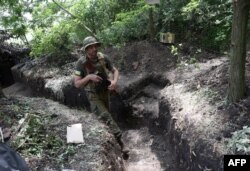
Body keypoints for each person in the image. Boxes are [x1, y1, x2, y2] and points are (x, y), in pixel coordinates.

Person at [74, 36, 129, 155]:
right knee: (106, 116)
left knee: (105, 117)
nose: (94, 49)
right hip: (93, 95)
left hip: (105, 92)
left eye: (95, 46)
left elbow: (115, 71)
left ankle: (108, 138)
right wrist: (89, 77)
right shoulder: (81, 63)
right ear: (86, 49)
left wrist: (114, 82)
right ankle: (121, 142)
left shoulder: (103, 57)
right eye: (90, 47)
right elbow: (77, 84)